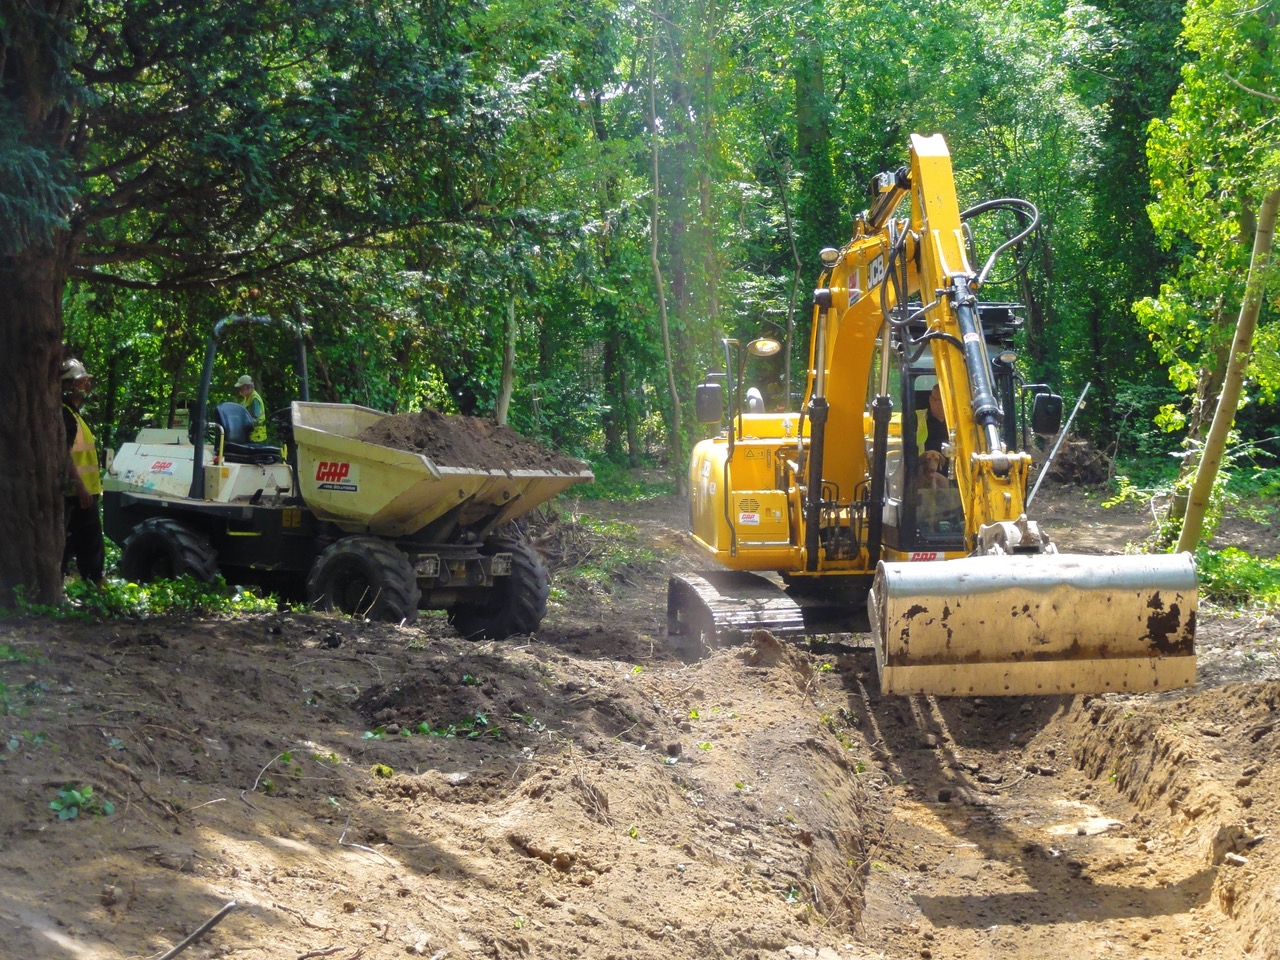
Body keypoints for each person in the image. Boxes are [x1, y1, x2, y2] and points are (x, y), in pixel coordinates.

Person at [62, 359, 105, 587]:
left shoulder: (75, 414)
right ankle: (94, 585)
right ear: (68, 385)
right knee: (88, 542)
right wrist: (79, 486)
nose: (87, 385)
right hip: (77, 493)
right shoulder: (65, 414)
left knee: (72, 541)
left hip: (82, 492)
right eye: (82, 381)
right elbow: (64, 454)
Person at [235, 374, 268, 442]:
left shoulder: (254, 398)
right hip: (251, 434)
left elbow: (255, 418)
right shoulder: (247, 398)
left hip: (256, 436)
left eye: (240, 388)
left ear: (246, 387)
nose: (239, 390)